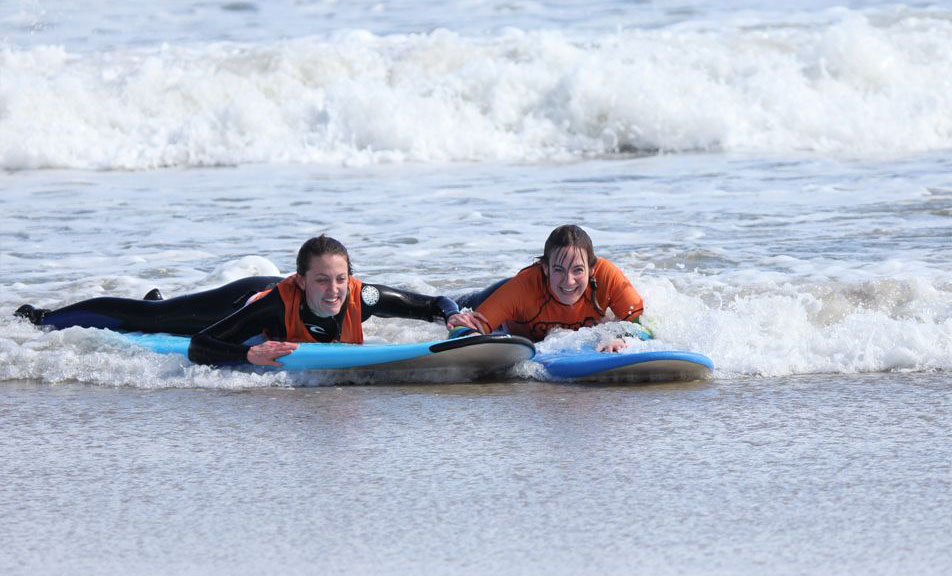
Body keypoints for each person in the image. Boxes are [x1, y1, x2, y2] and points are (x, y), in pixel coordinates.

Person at [16, 235, 480, 366]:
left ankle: (166, 298)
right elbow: (201, 346)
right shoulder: (274, 306)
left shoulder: (364, 296)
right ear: (301, 281)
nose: (334, 291)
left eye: (340, 279)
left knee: (166, 312)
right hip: (239, 301)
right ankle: (43, 316)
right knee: (157, 319)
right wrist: (248, 352)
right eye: (322, 281)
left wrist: (451, 315)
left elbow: (432, 302)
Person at [449, 224, 645, 352]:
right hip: (497, 298)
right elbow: (466, 331)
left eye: (578, 270)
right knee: (450, 308)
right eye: (559, 270)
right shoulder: (523, 288)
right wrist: (465, 331)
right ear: (545, 268)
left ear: (592, 269)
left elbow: (640, 329)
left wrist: (617, 339)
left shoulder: (609, 278)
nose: (569, 281)